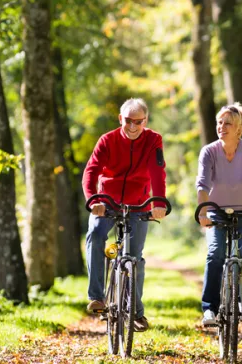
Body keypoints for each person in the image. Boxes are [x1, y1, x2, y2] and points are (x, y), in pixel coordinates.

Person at [82, 98, 167, 332]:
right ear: (121, 119)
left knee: (135, 258)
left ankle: (136, 313)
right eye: (128, 121)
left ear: (145, 121)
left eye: (138, 122)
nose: (132, 126)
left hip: (138, 204)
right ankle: (97, 296)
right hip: (106, 202)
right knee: (96, 234)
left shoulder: (153, 140)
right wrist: (93, 199)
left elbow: (157, 172)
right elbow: (91, 171)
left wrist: (158, 202)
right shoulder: (107, 140)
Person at [195, 103, 242, 326]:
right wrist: (203, 211)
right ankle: (209, 309)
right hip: (216, 213)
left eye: (227, 123)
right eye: (220, 122)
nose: (222, 126)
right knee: (215, 253)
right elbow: (202, 185)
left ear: (239, 129)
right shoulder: (209, 151)